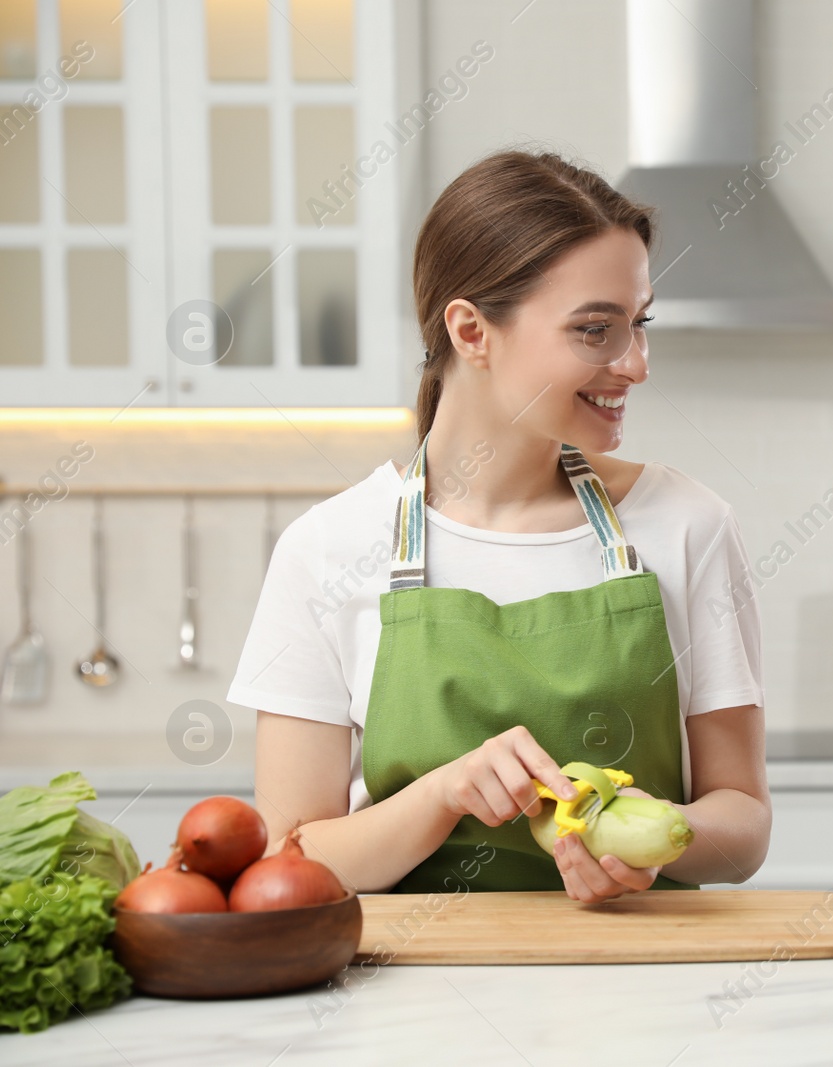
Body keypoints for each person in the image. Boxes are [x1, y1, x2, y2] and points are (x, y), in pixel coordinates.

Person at [229, 150, 770, 900]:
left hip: (645, 991)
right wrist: (442, 793)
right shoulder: (329, 548)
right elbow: (290, 860)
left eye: (640, 325)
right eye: (595, 330)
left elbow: (743, 824)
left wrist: (664, 836)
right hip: (406, 1000)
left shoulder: (689, 525)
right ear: (471, 331)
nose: (636, 363)